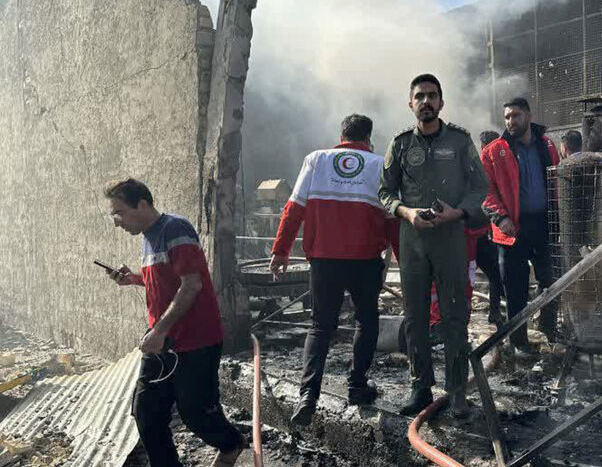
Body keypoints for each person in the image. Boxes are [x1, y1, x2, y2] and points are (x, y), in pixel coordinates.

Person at [104, 179, 244, 467]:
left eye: (119, 212)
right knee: (146, 413)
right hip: (162, 339)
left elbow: (191, 285)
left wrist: (159, 330)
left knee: (196, 414)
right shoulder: (148, 237)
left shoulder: (175, 229)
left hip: (195, 340)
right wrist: (133, 278)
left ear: (142, 204)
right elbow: (165, 281)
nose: (117, 222)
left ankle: (231, 444)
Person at [379, 73, 489, 418]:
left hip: (450, 240)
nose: (426, 101)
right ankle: (420, 388)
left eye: (432, 95)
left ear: (441, 102)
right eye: (419, 96)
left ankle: (457, 391)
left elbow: (480, 185)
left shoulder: (459, 141)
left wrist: (458, 212)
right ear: (410, 103)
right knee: (414, 318)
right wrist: (407, 212)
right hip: (412, 243)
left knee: (455, 317)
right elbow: (384, 192)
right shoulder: (399, 144)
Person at [269, 114, 387, 426]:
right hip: (365, 261)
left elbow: (293, 208)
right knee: (367, 320)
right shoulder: (378, 164)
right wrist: (403, 258)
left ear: (342, 134)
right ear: (368, 138)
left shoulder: (316, 159)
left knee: (320, 326)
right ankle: (357, 387)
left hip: (324, 260)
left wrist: (281, 250)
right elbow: (391, 219)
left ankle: (308, 395)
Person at [480, 97, 561, 354]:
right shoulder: (493, 151)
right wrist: (501, 218)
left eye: (515, 115)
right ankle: (519, 341)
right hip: (511, 228)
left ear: (528, 115)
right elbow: (485, 191)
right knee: (515, 287)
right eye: (507, 117)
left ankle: (550, 332)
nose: (510, 121)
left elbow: (557, 183)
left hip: (545, 224)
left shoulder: (548, 146)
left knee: (550, 281)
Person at [477, 130, 506, 324]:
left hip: (481, 234)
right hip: (485, 234)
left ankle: (494, 312)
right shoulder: (487, 168)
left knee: (494, 275)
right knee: (496, 275)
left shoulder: (481, 167)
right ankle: (495, 312)